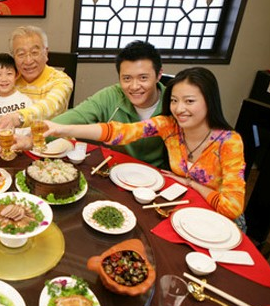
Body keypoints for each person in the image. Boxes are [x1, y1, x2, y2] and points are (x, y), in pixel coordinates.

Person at [15, 67, 246, 228]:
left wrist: (192, 183)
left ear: (209, 100)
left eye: (190, 101)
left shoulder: (229, 141)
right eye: (174, 100)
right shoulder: (169, 126)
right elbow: (118, 132)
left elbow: (232, 207)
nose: (179, 108)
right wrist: (59, 129)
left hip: (219, 223)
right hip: (182, 208)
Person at [51, 40, 168, 169]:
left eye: (143, 78)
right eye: (127, 78)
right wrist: (35, 134)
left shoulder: (174, 103)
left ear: (159, 75)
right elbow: (77, 116)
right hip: (116, 170)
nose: (134, 86)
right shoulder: (111, 95)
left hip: (159, 175)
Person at [0, 25, 73, 131]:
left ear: (46, 52)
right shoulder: (10, 82)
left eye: (34, 53)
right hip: (17, 144)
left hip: (53, 142)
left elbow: (50, 106)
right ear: (14, 57)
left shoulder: (62, 80)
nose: (28, 61)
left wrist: (19, 117)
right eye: (21, 54)